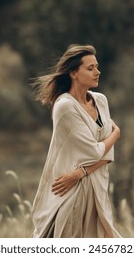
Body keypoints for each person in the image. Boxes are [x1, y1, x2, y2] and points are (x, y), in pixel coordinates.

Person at [31, 44, 121, 238]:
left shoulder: (101, 100)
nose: (98, 72)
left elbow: (107, 154)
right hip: (73, 193)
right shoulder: (64, 107)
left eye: (97, 66)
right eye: (90, 68)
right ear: (73, 73)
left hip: (98, 190)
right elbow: (96, 152)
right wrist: (116, 134)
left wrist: (80, 172)